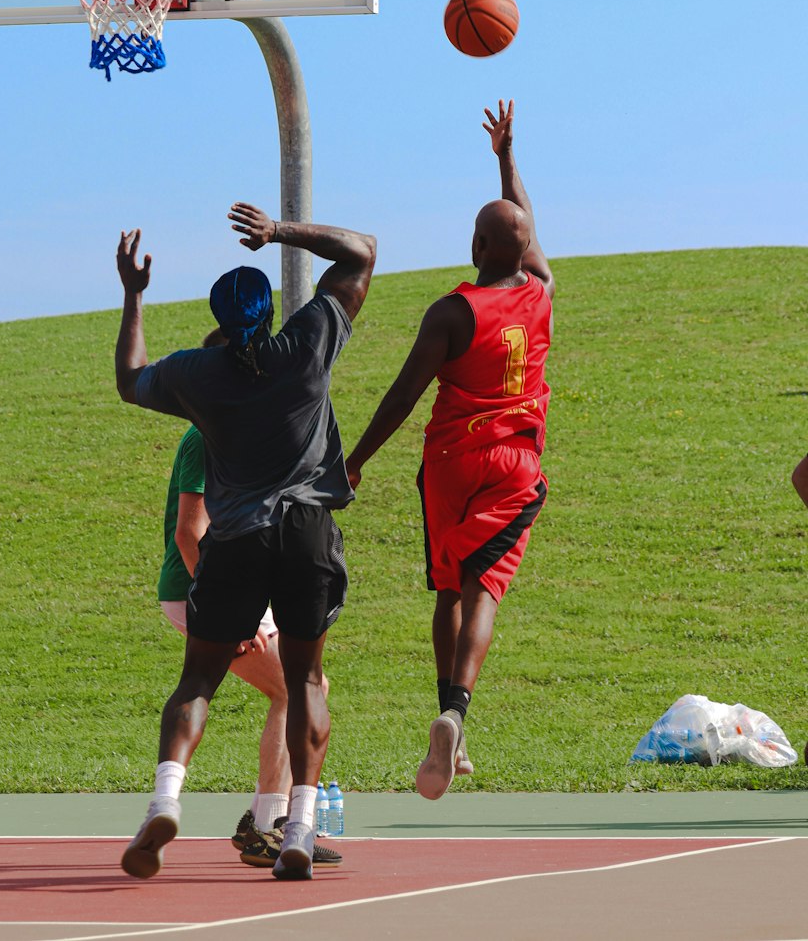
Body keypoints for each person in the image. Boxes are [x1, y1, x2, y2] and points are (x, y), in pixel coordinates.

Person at [116, 202, 376, 880]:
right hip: (307, 530)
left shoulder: (197, 376)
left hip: (235, 538)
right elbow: (361, 250)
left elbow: (128, 377)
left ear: (219, 322)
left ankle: (163, 804)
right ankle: (297, 828)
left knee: (198, 678)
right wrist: (279, 233)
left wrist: (133, 296)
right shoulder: (310, 340)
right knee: (305, 678)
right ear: (269, 312)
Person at [344, 100, 554, 800]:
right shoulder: (541, 294)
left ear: (476, 247)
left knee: (446, 587)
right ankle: (455, 716)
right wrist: (506, 159)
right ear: (522, 251)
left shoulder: (451, 312)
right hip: (512, 465)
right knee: (485, 587)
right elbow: (528, 226)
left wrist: (357, 459)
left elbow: (402, 396)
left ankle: (448, 725)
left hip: (447, 464)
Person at [157, 344, 342, 870]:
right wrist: (233, 617)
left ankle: (270, 819)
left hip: (229, 585)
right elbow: (191, 534)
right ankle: (267, 825)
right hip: (195, 587)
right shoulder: (203, 436)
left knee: (306, 687)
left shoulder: (237, 429)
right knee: (294, 687)